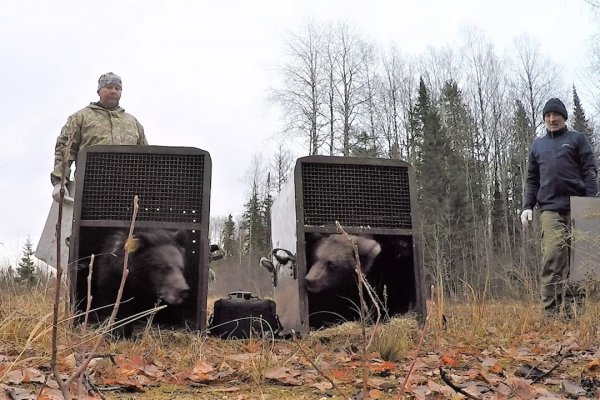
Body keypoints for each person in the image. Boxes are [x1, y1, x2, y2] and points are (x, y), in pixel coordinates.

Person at [521, 97, 598, 317]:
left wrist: (592, 203)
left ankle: (574, 312)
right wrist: (528, 206)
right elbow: (532, 179)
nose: (552, 119)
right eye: (548, 116)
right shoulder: (538, 145)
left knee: (579, 263)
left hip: (580, 207)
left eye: (556, 115)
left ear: (564, 117)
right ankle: (550, 314)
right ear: (544, 118)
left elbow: (590, 171)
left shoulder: (577, 139)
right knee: (553, 257)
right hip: (550, 209)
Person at [51, 72, 148, 202]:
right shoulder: (81, 117)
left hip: (129, 191)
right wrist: (60, 182)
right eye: (109, 87)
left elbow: (146, 157)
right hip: (90, 189)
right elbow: (65, 149)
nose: (113, 91)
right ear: (99, 91)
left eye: (117, 88)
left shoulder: (133, 122)